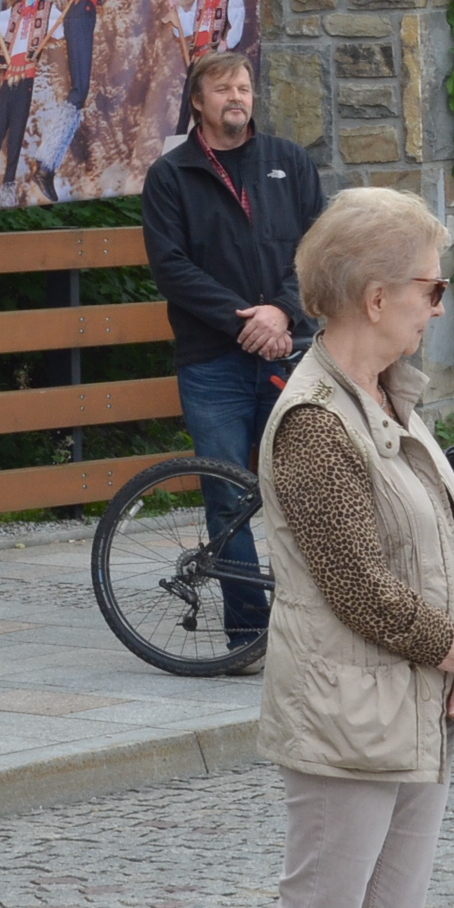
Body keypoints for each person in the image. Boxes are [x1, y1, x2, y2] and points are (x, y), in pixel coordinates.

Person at [259, 187, 454, 908]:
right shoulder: (316, 422)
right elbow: (359, 586)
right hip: (348, 721)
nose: (439, 307)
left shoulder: (390, 393)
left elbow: (433, 544)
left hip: (411, 707)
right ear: (375, 298)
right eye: (431, 288)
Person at [141, 50, 325, 656]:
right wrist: (245, 321)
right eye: (223, 89)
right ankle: (250, 633)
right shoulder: (171, 175)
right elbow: (172, 268)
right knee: (227, 496)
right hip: (212, 361)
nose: (237, 98)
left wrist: (283, 311)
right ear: (198, 102)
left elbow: (319, 249)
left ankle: (315, 629)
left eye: (243, 87)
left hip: (291, 351)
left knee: (309, 490)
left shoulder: (288, 162)